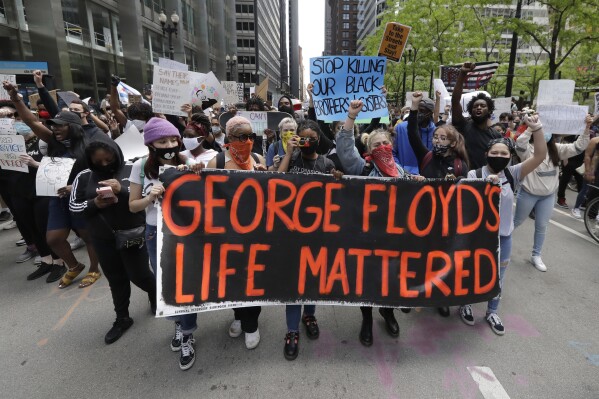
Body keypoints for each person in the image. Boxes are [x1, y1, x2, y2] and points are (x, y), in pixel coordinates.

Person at [3, 80, 102, 287]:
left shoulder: (89, 145)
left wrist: (74, 187)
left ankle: (94, 269)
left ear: (72, 127)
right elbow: (31, 121)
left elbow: (97, 174)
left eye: (60, 126)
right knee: (53, 239)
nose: (54, 129)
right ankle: (74, 266)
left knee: (87, 236)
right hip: (57, 198)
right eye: (53, 126)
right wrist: (15, 98)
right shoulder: (53, 141)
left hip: (80, 197)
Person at [336, 99, 417, 346]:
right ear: (369, 150)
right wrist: (351, 116)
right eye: (376, 144)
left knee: (390, 279)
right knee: (366, 280)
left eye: (385, 143)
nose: (381, 146)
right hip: (366, 236)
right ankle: (367, 318)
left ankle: (388, 311)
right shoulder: (362, 168)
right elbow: (345, 148)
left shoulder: (403, 173)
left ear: (391, 146)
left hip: (395, 238)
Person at [459, 114, 548, 335]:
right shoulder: (475, 174)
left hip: (503, 237)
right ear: (486, 154)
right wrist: (483, 187)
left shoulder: (513, 173)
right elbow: (462, 201)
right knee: (472, 271)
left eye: (504, 153)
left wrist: (537, 129)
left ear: (510, 157)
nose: (499, 156)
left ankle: (492, 311)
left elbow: (540, 156)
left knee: (498, 276)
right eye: (494, 152)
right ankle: (466, 304)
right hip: (477, 237)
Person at [70, 134, 156, 344]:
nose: (105, 164)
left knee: (140, 274)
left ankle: (155, 294)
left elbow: (148, 198)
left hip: (133, 234)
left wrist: (123, 190)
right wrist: (95, 204)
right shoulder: (84, 176)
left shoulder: (133, 168)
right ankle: (122, 318)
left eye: (109, 159)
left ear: (116, 153)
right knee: (116, 279)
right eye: (98, 162)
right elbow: (73, 207)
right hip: (102, 238)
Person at [128, 117, 198, 370]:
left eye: (172, 140)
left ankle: (188, 334)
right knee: (166, 285)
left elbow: (205, 181)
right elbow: (132, 205)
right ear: (151, 144)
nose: (169, 144)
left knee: (186, 286)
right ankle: (179, 325)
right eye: (162, 141)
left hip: (186, 234)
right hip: (155, 233)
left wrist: (196, 170)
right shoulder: (139, 167)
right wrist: (149, 197)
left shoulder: (186, 160)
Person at [277, 119, 337, 360]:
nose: (308, 142)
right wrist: (289, 152)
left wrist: (338, 179)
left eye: (312, 138)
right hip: (291, 233)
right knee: (294, 284)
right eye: (303, 138)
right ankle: (292, 331)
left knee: (312, 279)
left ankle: (309, 315)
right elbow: (276, 181)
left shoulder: (326, 163)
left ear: (319, 140)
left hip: (318, 234)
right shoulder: (289, 160)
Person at [207, 116, 266, 352]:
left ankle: (252, 324)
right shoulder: (217, 162)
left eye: (251, 136)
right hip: (227, 236)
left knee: (252, 280)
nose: (248, 141)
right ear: (229, 137)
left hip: (256, 234)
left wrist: (266, 175)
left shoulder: (259, 159)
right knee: (232, 279)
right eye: (242, 137)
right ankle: (239, 316)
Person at [513, 114, 591, 271]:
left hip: (548, 197)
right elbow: (519, 143)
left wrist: (586, 128)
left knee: (542, 226)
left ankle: (536, 255)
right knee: (516, 222)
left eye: (547, 130)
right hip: (528, 194)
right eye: (542, 129)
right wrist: (530, 127)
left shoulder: (558, 150)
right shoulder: (527, 150)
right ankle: (497, 243)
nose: (544, 133)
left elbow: (578, 146)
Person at [11, 115, 61, 279]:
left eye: (22, 121)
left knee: (45, 228)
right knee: (32, 228)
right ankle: (46, 261)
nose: (18, 125)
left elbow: (60, 163)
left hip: (41, 191)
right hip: (20, 192)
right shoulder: (13, 144)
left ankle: (59, 262)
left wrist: (35, 164)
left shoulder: (44, 141)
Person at [451, 63, 502, 169]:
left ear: (489, 111)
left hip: (485, 180)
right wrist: (462, 74)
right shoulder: (463, 125)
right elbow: (455, 101)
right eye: (475, 106)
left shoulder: (496, 136)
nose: (478, 108)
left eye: (482, 106)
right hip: (464, 178)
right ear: (471, 110)